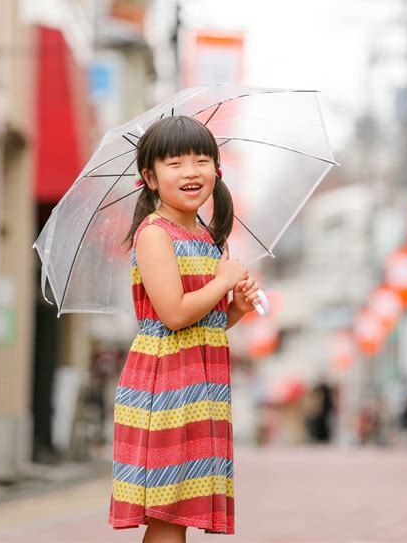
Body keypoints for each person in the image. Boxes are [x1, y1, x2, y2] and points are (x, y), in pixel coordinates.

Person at [108, 116, 262, 541]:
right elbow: (174, 315)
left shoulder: (213, 240)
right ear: (150, 177)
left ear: (217, 168)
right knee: (168, 514)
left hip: (203, 384)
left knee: (181, 510)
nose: (191, 172)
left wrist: (238, 309)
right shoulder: (154, 234)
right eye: (174, 163)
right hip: (165, 387)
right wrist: (223, 281)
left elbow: (206, 324)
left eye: (201, 160)